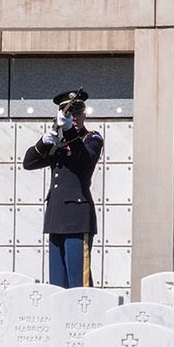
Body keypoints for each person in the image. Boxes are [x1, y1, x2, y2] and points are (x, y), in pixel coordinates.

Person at [23, 89, 103, 288]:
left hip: (77, 217)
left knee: (79, 283)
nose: (74, 117)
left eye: (77, 113)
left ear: (85, 114)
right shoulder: (58, 141)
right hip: (56, 217)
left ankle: (85, 320)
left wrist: (68, 131)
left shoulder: (91, 138)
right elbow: (29, 163)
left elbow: (85, 160)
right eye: (69, 113)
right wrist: (44, 142)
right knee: (57, 284)